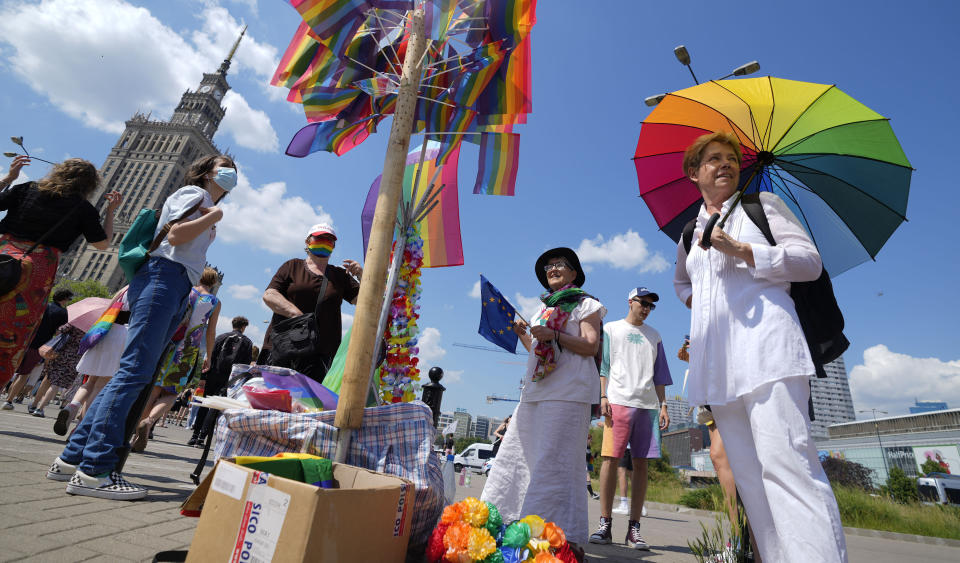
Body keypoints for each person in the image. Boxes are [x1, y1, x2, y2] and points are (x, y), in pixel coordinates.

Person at [673, 132, 846, 562]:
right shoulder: (690, 231)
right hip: (718, 366)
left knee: (788, 466)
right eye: (712, 159)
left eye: (731, 158)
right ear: (693, 173)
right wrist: (704, 305)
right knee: (750, 480)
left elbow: (809, 262)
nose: (725, 164)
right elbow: (682, 283)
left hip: (769, 351)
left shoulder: (763, 207)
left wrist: (743, 250)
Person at [48, 154, 235, 500]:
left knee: (136, 373)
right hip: (164, 277)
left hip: (176, 284)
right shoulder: (195, 194)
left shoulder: (205, 203)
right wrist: (217, 215)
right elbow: (176, 236)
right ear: (207, 171)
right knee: (134, 373)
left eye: (234, 171)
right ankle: (94, 471)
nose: (231, 174)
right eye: (225, 167)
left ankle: (70, 458)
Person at [482, 247, 605, 550]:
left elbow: (590, 347)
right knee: (518, 456)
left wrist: (556, 336)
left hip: (569, 392)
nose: (553, 269)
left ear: (574, 272)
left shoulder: (586, 303)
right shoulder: (542, 310)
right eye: (548, 266)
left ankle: (553, 537)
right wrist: (525, 334)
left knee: (556, 461)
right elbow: (538, 352)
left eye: (560, 264)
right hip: (537, 391)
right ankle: (507, 524)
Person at [0, 158, 120, 386]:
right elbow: (103, 244)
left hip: (3, 255)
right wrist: (111, 212)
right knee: (12, 332)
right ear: (89, 185)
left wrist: (9, 178)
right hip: (34, 273)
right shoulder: (82, 208)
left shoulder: (27, 188)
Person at [589, 287, 671, 550]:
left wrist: (664, 406)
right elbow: (604, 366)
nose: (646, 308)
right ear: (630, 302)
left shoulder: (655, 336)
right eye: (643, 302)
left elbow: (660, 376)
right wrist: (603, 397)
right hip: (618, 402)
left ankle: (634, 529)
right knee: (610, 460)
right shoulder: (612, 329)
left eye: (651, 305)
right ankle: (605, 524)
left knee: (641, 465)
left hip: (647, 406)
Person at [131, 267, 221, 452]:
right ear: (214, 283)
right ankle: (149, 422)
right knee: (172, 393)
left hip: (169, 343)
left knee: (154, 390)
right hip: (189, 350)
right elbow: (210, 332)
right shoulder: (214, 301)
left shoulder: (187, 291)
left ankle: (134, 434)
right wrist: (209, 356)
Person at [261, 223, 362, 380]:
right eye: (320, 238)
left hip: (320, 354)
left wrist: (363, 276)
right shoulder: (292, 266)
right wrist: (296, 315)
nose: (324, 242)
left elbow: (365, 302)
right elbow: (270, 294)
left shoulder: (340, 276)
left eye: (329, 240)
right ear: (308, 242)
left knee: (311, 403)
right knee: (272, 399)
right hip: (283, 347)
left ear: (333, 246)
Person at [53, 287, 132, 435]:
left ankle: (72, 406)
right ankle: (80, 426)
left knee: (89, 381)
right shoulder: (146, 291)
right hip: (122, 335)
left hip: (105, 331)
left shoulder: (125, 289)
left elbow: (108, 309)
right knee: (101, 385)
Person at [188, 315, 253, 446]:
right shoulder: (247, 342)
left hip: (213, 375)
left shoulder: (221, 337)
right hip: (229, 379)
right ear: (243, 327)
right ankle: (202, 437)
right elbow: (245, 365)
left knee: (205, 404)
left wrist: (204, 377)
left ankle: (194, 436)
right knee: (216, 407)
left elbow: (209, 357)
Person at [3, 289, 72, 410]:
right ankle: (9, 401)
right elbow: (58, 332)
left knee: (15, 371)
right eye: (68, 299)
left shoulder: (43, 305)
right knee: (24, 374)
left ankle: (9, 396)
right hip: (39, 345)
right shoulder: (62, 313)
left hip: (24, 340)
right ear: (64, 299)